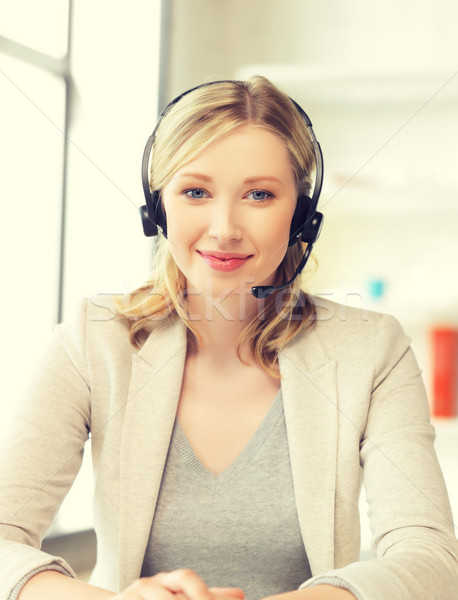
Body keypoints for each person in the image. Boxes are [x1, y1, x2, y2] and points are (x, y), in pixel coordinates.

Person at [0, 76, 457, 600]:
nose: (224, 228)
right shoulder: (93, 340)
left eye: (259, 195)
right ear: (157, 208)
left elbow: (428, 554)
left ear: (301, 215)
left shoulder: (373, 348)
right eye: (195, 191)